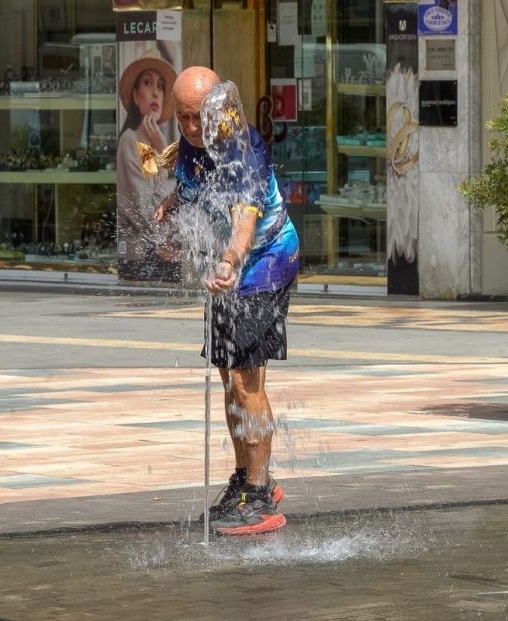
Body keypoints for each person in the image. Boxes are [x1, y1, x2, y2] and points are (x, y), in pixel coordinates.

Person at [154, 67, 300, 536]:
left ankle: (260, 495)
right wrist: (173, 206)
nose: (192, 129)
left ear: (219, 107)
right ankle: (244, 481)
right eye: (183, 119)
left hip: (265, 261)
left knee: (245, 378)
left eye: (199, 118)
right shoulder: (190, 147)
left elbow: (243, 217)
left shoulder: (243, 149)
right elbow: (194, 186)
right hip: (227, 271)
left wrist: (231, 260)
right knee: (226, 375)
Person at [116, 48, 179, 281]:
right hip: (140, 258)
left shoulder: (150, 143)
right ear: (135, 95)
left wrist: (162, 148)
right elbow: (147, 208)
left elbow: (161, 196)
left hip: (159, 253)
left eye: (161, 86)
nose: (155, 92)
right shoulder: (130, 141)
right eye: (148, 83)